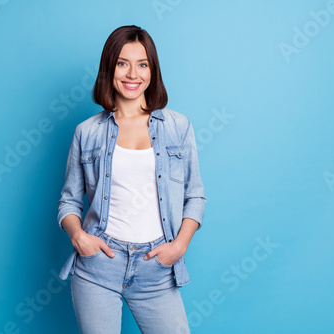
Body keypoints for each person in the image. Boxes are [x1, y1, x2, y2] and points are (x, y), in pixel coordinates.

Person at [56, 25, 207, 333]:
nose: (132, 74)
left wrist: (179, 246)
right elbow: (69, 200)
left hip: (157, 267)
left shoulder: (178, 127)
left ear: (152, 71)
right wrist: (79, 237)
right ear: (109, 68)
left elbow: (196, 196)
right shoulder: (87, 132)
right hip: (98, 266)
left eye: (142, 64)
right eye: (122, 63)